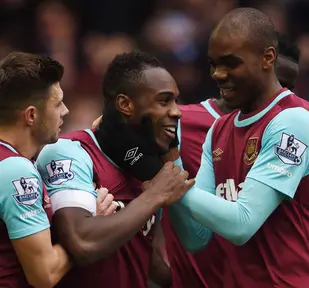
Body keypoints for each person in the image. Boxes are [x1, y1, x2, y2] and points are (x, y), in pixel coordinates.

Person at [163, 8, 309, 287]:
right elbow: (196, 237)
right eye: (213, 64)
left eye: (230, 63)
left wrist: (166, 186)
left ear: (267, 58)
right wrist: (168, 160)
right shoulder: (219, 131)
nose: (218, 74)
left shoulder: (293, 122)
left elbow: (241, 223)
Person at [35, 51, 194, 288]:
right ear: (125, 104)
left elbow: (142, 256)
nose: (176, 111)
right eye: (164, 100)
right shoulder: (70, 152)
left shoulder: (148, 170)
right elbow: (81, 242)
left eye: (175, 101)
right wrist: (154, 196)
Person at [0, 51, 71, 288]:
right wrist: (90, 225)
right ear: (31, 115)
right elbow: (44, 275)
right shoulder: (15, 170)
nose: (65, 111)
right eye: (58, 103)